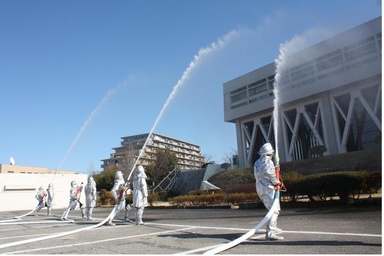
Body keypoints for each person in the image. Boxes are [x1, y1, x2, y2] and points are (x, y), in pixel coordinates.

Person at [254, 142, 284, 240]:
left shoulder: (257, 162)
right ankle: (270, 232)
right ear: (270, 153)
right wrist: (276, 182)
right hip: (268, 188)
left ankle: (273, 227)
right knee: (274, 210)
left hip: (260, 188)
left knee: (270, 208)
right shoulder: (267, 162)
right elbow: (268, 171)